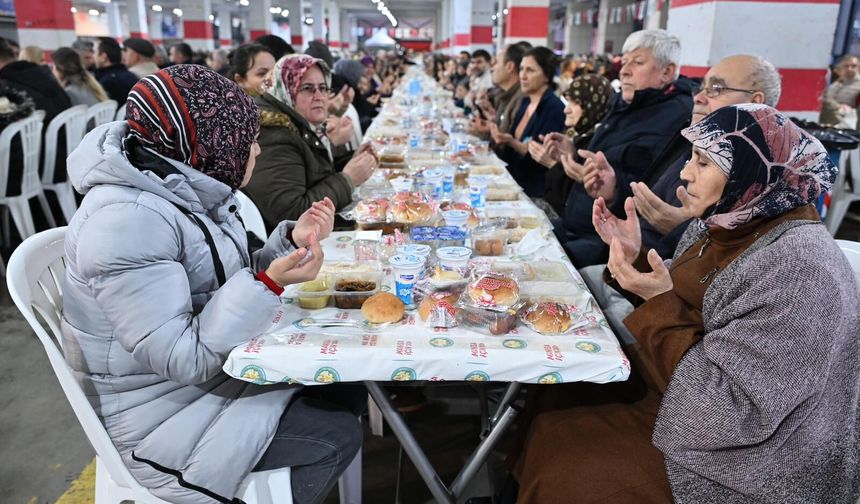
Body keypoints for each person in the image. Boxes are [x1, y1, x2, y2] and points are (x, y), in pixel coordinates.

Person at [512, 104, 859, 503]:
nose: (684, 173)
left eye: (704, 162)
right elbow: (679, 299)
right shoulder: (725, 219)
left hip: (754, 458)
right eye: (691, 158)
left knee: (574, 469)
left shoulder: (800, 269)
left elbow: (730, 413)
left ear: (752, 171)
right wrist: (637, 259)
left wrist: (658, 301)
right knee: (556, 393)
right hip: (683, 394)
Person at [62, 65, 363, 504]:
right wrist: (267, 285)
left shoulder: (182, 182)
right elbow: (185, 356)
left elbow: (224, 279)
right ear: (211, 146)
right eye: (247, 141)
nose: (257, 152)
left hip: (206, 383)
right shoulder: (127, 222)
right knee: (335, 434)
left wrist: (287, 247)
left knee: (346, 386)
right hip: (162, 419)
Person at [579, 54, 782, 346]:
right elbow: (643, 199)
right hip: (650, 289)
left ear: (755, 102)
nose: (698, 97)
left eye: (716, 89)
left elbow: (708, 308)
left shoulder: (756, 185)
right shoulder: (691, 137)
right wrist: (615, 196)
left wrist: (679, 229)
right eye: (701, 87)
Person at [553, 29, 694, 268]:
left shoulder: (675, 117)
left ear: (667, 72)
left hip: (607, 241)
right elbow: (604, 158)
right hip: (578, 223)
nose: (625, 70)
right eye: (624, 61)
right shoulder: (625, 103)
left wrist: (614, 191)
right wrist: (573, 152)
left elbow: (650, 186)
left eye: (638, 62)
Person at [245, 54, 377, 230]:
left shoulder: (300, 123)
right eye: (307, 88)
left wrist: (354, 160)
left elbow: (314, 172)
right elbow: (291, 213)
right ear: (286, 89)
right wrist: (348, 180)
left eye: (323, 88)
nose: (319, 96)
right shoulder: (273, 135)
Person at [529, 74, 615, 216]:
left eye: (575, 103)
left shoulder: (600, 143)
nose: (566, 110)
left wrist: (553, 164)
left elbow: (574, 200)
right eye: (568, 101)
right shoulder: (575, 134)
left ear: (593, 104)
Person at [491, 46, 566, 198]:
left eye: (530, 70)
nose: (523, 76)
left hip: (535, 190)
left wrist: (512, 142)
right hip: (514, 182)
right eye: (521, 69)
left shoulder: (554, 108)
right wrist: (504, 139)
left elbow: (541, 157)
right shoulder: (525, 103)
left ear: (546, 75)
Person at [469, 43, 526, 148]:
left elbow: (506, 147)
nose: (491, 69)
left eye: (496, 63)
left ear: (509, 66)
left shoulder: (521, 99)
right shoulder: (504, 95)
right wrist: (490, 123)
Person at [94, 37, 139, 105]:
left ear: (103, 56)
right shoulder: (131, 75)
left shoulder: (107, 82)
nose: (93, 56)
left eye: (94, 52)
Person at [820, 54, 860, 129]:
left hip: (847, 123)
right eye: (846, 66)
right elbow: (825, 98)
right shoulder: (838, 83)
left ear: (858, 68)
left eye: (853, 66)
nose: (850, 69)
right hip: (828, 119)